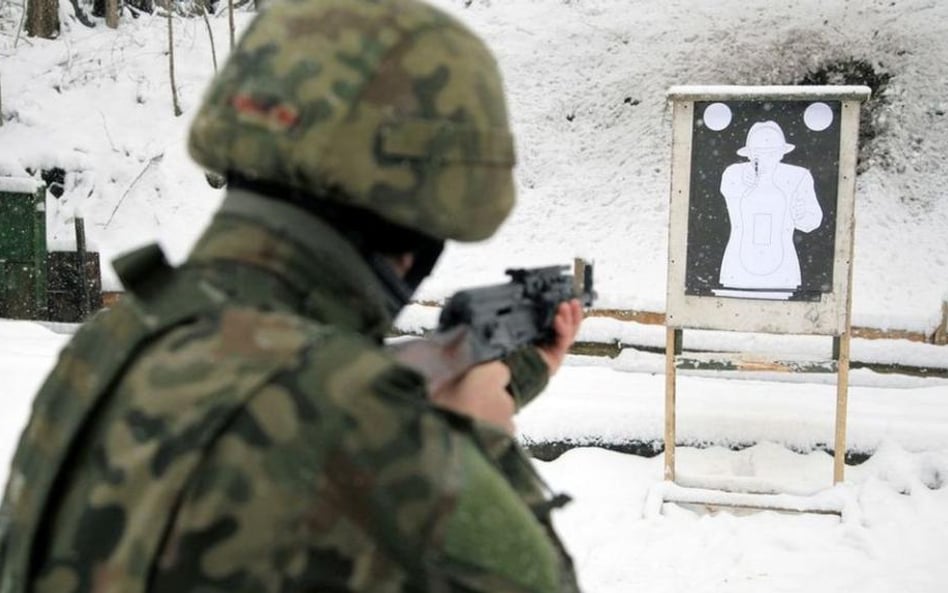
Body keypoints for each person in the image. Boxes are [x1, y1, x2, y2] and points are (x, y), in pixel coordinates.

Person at [0, 1, 584, 592]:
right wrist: (481, 435)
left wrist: (514, 373)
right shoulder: (364, 423)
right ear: (428, 209)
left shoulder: (109, 349)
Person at [716, 120, 823, 299]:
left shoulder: (798, 177)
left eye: (771, 153)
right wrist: (744, 180)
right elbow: (728, 186)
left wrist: (801, 215)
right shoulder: (734, 174)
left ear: (781, 153)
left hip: (782, 272)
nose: (765, 159)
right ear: (749, 155)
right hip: (739, 269)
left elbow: (812, 221)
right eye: (759, 154)